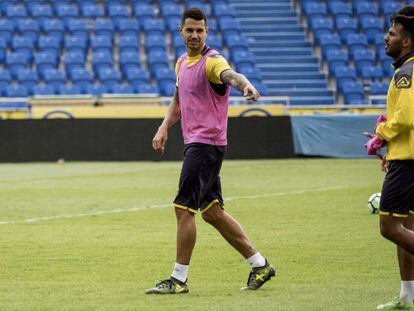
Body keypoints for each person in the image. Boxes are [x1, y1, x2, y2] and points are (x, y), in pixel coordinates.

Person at [145, 7, 275, 294]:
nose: (194, 35)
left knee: (183, 208)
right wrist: (164, 127)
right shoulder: (181, 63)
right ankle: (260, 265)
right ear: (181, 31)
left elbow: (230, 75)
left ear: (207, 32)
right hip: (198, 145)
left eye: (199, 30)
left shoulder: (212, 61)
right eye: (189, 30)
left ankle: (178, 280)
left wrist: (245, 83)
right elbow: (178, 101)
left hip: (206, 146)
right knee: (212, 213)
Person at [365, 6, 414, 310]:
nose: (386, 38)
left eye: (392, 33)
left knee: (389, 227)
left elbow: (407, 119)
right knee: (406, 225)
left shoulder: (405, 74)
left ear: (406, 41)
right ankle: (408, 297)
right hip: (406, 156)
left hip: (407, 162)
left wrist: (382, 130)